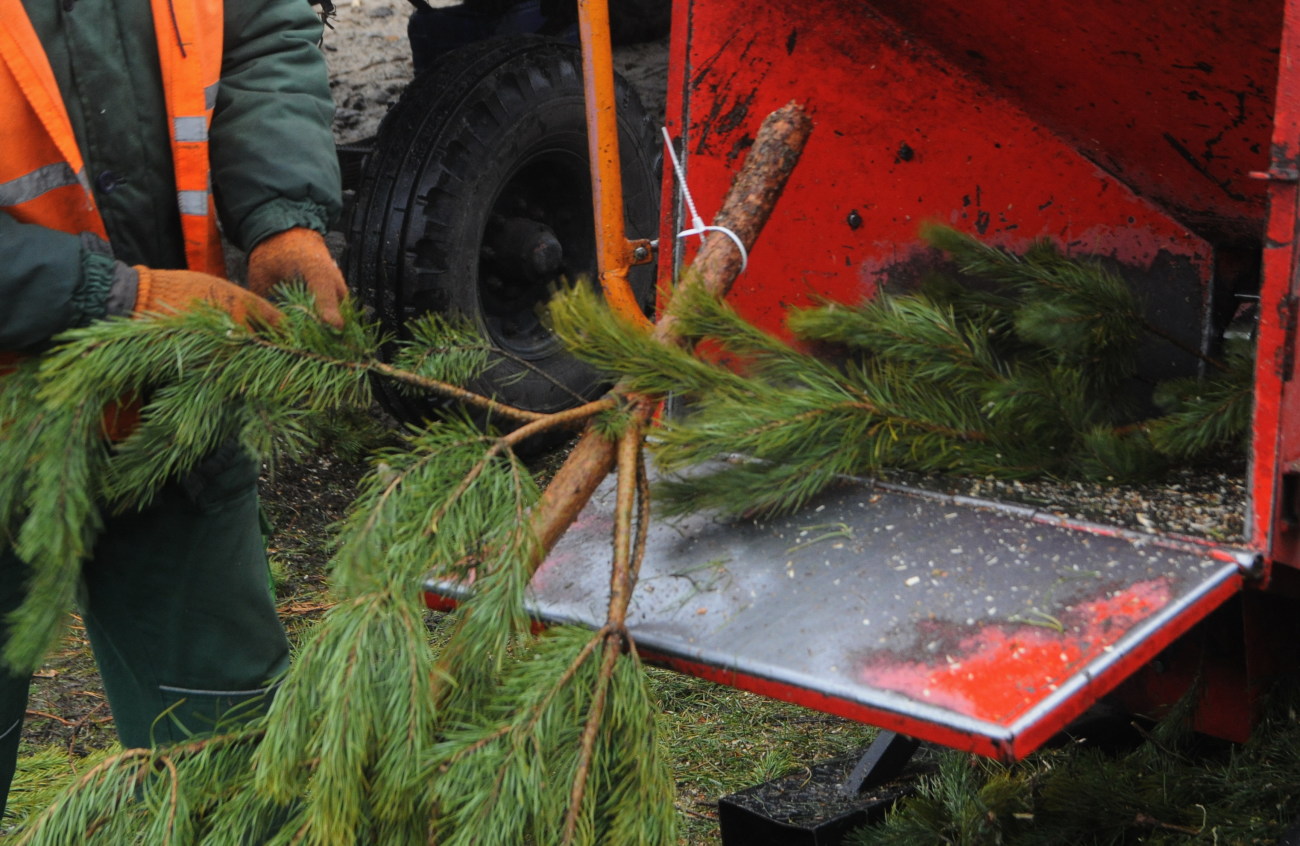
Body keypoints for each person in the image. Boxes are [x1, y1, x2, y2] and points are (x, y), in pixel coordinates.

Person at [0, 0, 348, 821]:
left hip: (167, 414)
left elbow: (261, 25)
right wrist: (112, 296)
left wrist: (281, 215)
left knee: (228, 756)